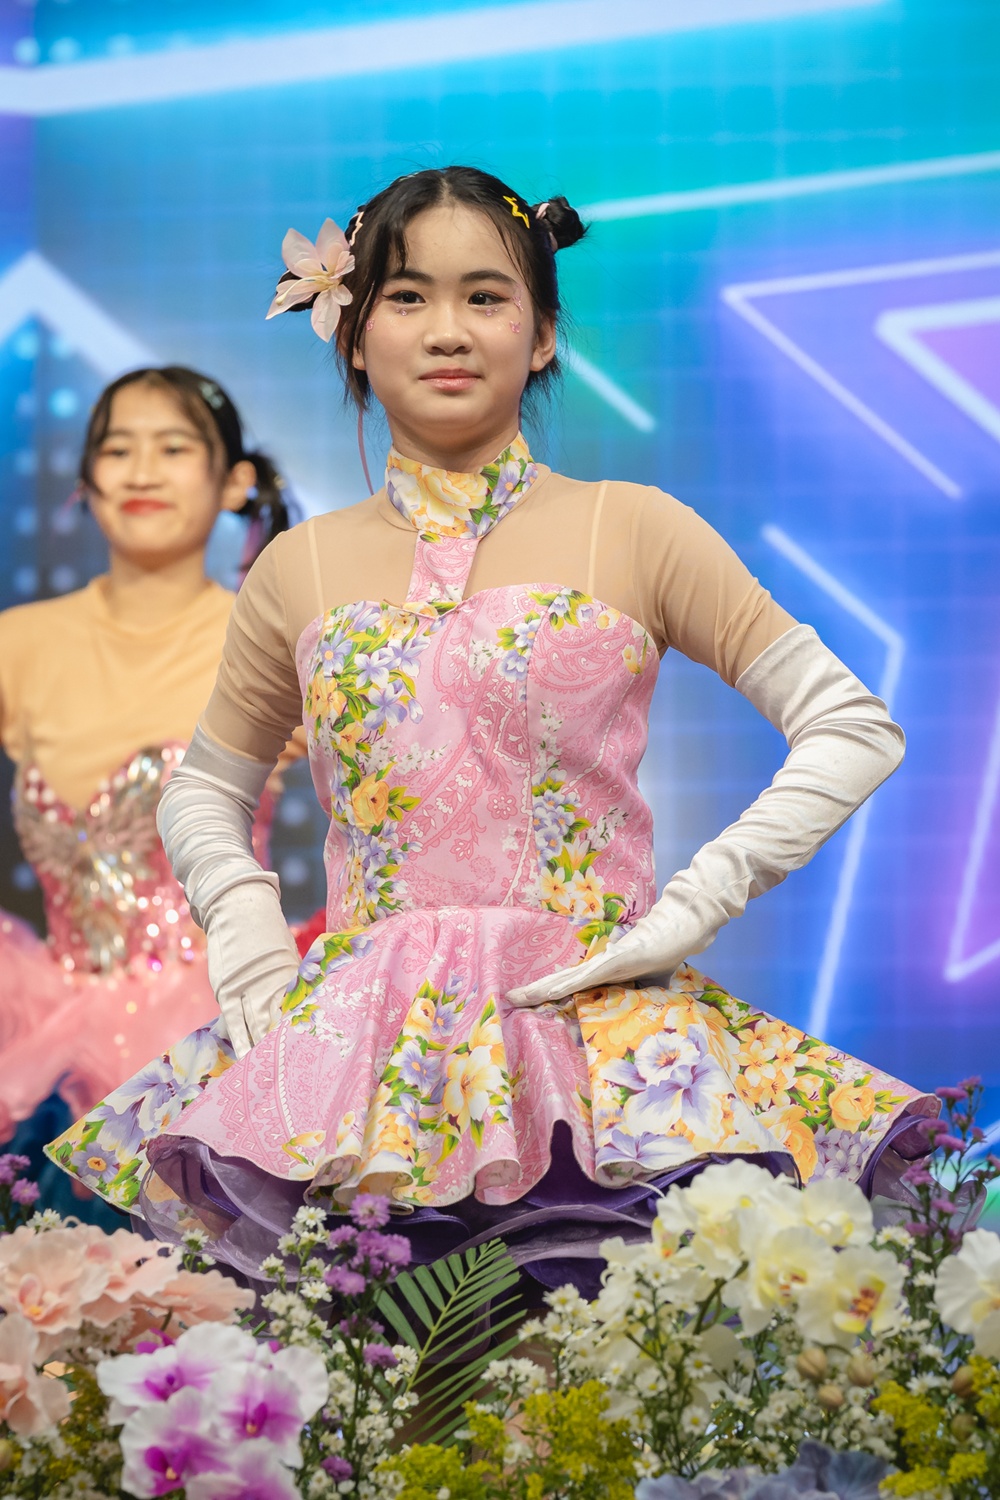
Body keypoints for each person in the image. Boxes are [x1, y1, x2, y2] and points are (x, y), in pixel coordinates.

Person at [47, 168, 934, 1288]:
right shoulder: (296, 568)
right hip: (363, 1062)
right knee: (377, 1373)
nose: (448, 330)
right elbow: (204, 788)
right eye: (406, 297)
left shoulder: (635, 528)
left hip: (595, 1043)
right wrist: (247, 930)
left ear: (543, 334)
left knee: (597, 1366)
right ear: (351, 333)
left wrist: (693, 906)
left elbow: (850, 725)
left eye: (486, 296)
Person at [0, 366, 293, 1160]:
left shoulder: (270, 640)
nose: (141, 472)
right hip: (38, 1030)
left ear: (234, 482)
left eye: (172, 447)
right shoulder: (18, 644)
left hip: (211, 1020)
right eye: (117, 449)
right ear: (86, 481)